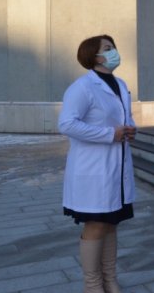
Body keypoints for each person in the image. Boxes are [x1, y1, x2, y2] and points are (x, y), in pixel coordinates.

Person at [59, 34, 137, 293]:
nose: (114, 51)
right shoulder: (82, 87)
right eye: (107, 48)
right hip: (92, 169)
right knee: (96, 223)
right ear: (94, 56)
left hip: (116, 166)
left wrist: (129, 129)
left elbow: (124, 117)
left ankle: (110, 279)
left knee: (111, 222)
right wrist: (109, 134)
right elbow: (67, 124)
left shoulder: (120, 84)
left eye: (113, 46)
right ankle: (92, 285)